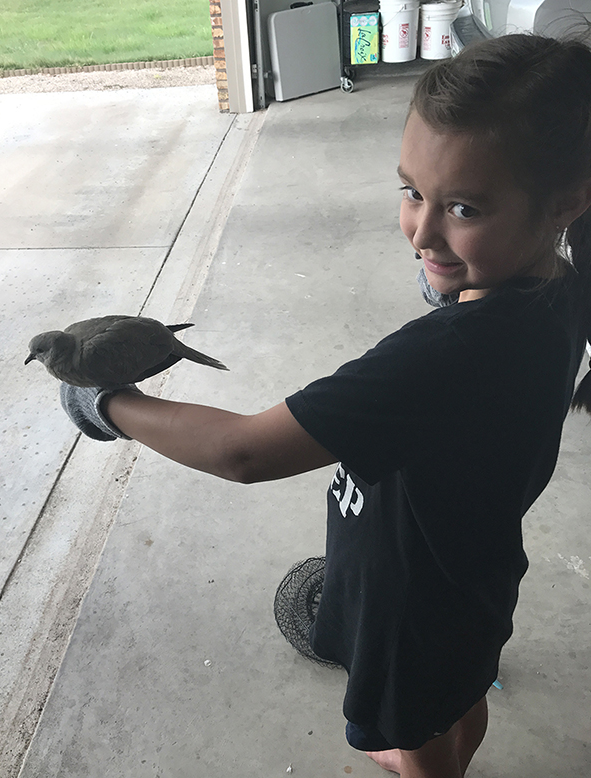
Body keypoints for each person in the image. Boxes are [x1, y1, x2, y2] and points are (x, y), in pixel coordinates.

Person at [60, 34, 591, 778]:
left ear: (566, 200)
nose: (422, 231)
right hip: (469, 572)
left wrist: (105, 400)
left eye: (464, 207)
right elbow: (473, 304)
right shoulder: (559, 287)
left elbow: (243, 451)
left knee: (418, 736)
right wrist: (461, 274)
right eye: (412, 191)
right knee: (458, 697)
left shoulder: (447, 358)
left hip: (408, 604)